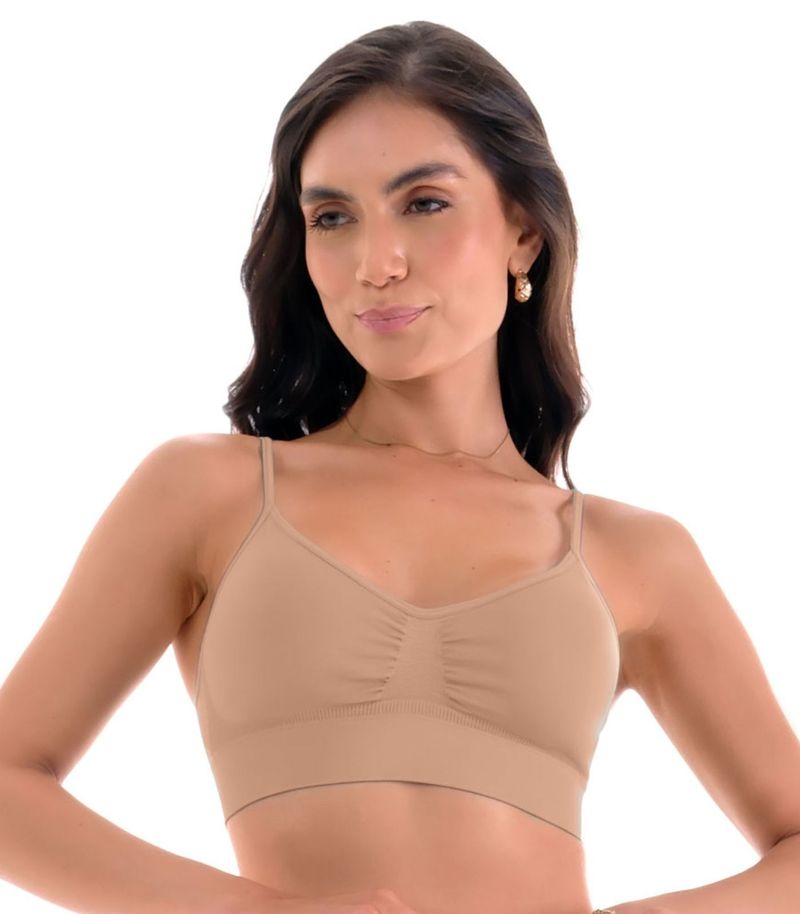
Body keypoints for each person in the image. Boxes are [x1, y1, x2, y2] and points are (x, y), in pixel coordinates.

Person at [1, 18, 798, 914]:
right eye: (332, 218)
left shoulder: (635, 553)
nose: (375, 265)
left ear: (524, 232)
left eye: (424, 203)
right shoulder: (210, 493)